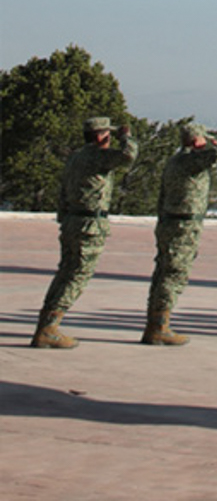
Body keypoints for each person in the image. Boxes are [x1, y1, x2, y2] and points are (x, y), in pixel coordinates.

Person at [32, 116, 139, 349]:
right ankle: (49, 329)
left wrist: (64, 218)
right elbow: (128, 156)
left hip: (72, 220)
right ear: (100, 136)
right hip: (89, 224)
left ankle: (46, 324)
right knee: (77, 275)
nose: (111, 140)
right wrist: (127, 138)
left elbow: (63, 191)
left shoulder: (76, 158)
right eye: (109, 136)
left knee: (65, 273)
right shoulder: (96, 156)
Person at [142, 122, 217, 345]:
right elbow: (214, 156)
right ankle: (159, 326)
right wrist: (213, 145)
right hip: (182, 225)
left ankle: (155, 324)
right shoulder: (189, 161)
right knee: (174, 274)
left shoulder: (176, 160)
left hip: (170, 222)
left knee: (164, 272)